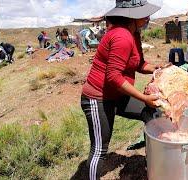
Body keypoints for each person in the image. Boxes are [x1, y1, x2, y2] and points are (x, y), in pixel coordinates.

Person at [80, 0, 161, 179]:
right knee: (100, 149)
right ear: (131, 15)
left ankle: (156, 160)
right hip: (98, 98)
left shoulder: (134, 34)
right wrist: (143, 97)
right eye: (144, 13)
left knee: (151, 113)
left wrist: (158, 69)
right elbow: (113, 77)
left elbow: (138, 64)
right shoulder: (121, 36)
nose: (148, 17)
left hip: (117, 95)